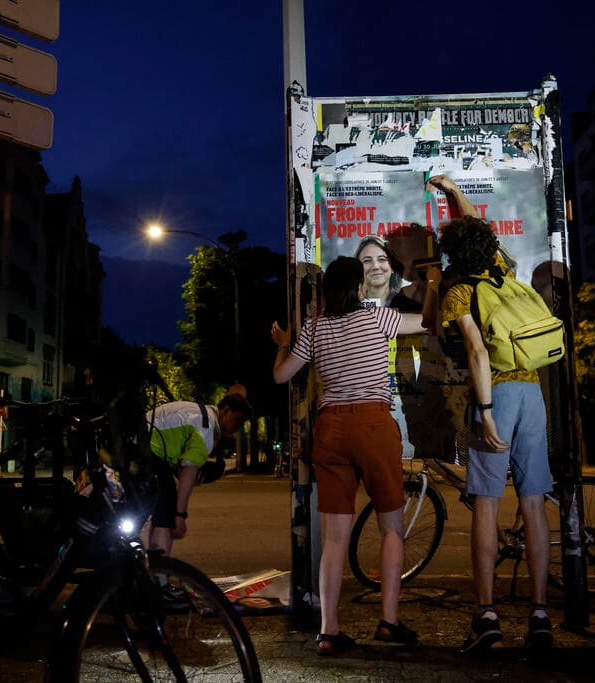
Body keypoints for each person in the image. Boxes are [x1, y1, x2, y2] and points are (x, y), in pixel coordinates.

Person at [271, 255, 431, 655]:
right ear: (360, 289)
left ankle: (329, 631)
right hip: (373, 427)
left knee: (335, 540)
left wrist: (281, 346)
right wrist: (437, 285)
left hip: (330, 430)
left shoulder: (314, 327)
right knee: (391, 527)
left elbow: (280, 376)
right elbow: (427, 322)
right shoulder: (379, 319)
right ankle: (388, 622)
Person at [435, 174, 554, 653]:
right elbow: (475, 222)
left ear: (451, 254)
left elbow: (477, 354)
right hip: (533, 394)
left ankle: (486, 614)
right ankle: (541, 614)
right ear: (487, 247)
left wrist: (484, 412)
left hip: (498, 395)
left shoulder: (459, 291)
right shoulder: (504, 271)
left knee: (485, 502)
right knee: (533, 504)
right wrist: (450, 190)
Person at [145, 390, 253, 557]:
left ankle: (152, 567)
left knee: (160, 508)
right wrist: (180, 515)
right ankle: (159, 575)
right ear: (225, 411)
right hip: (147, 451)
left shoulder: (202, 414)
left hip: (142, 446)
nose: (237, 428)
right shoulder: (206, 426)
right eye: (238, 420)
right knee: (167, 513)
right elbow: (190, 471)